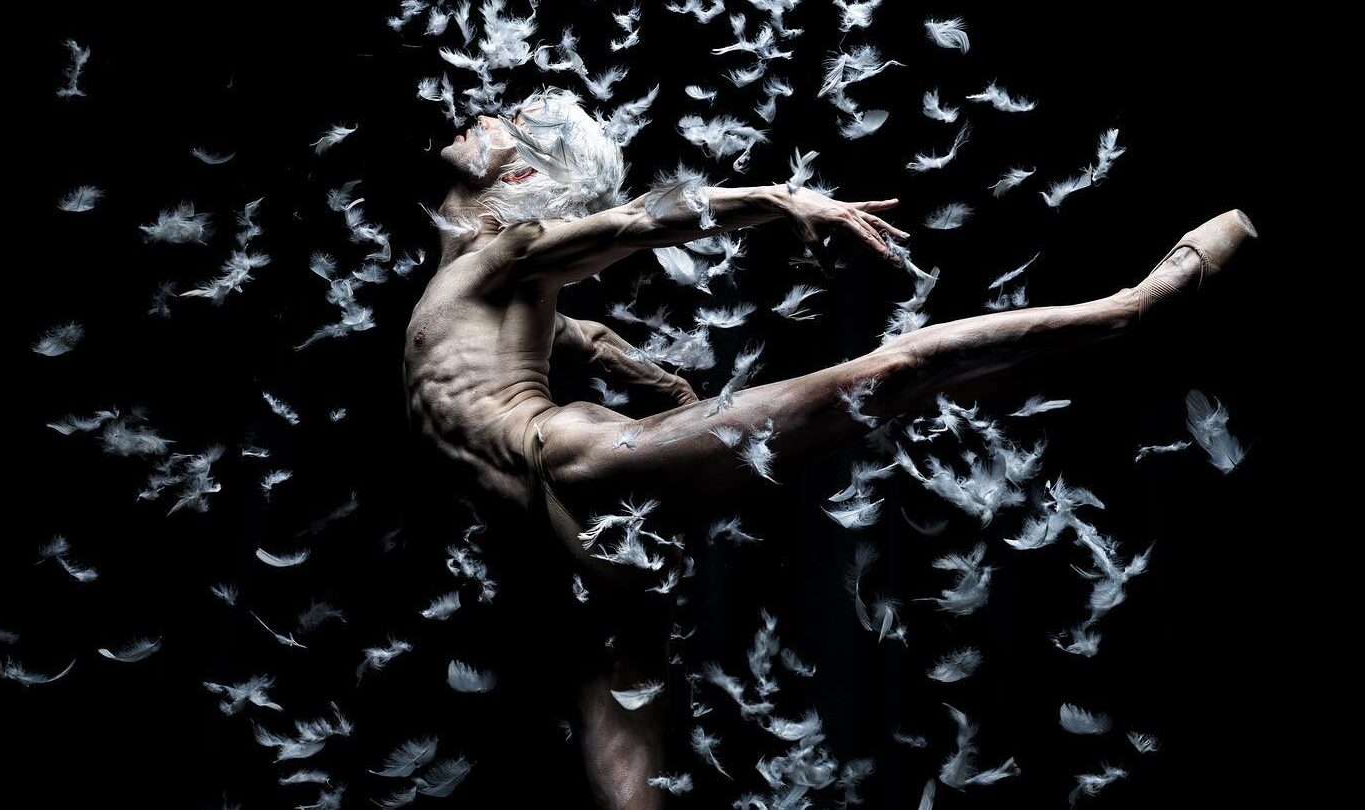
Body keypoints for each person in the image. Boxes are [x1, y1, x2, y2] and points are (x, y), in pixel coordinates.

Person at [403, 86, 1256, 809]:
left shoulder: (504, 252)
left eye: (502, 129)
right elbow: (593, 343)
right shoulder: (493, 286)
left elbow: (635, 224)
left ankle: (1136, 305)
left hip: (577, 460)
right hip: (550, 524)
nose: (480, 118)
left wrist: (781, 198)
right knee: (615, 687)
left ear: (517, 177)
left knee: (897, 368)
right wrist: (680, 402)